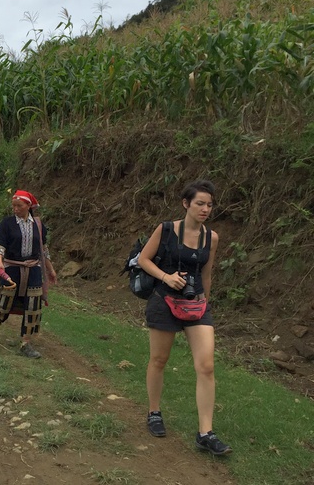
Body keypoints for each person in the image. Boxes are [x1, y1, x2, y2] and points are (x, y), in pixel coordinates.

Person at [137, 180, 232, 455]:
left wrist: (205, 300)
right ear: (186, 203)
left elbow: (207, 273)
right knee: (159, 359)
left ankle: (206, 432)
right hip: (163, 301)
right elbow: (144, 259)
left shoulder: (211, 238)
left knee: (206, 366)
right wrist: (166, 276)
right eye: (200, 203)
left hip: (196, 305)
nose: (205, 209)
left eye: (210, 204)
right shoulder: (166, 229)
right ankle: (154, 412)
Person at [0, 190, 57, 359]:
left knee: (33, 306)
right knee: (5, 302)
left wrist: (50, 269)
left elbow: (43, 249)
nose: (15, 209)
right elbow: (0, 245)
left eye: (19, 206)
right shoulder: (7, 224)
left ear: (28, 206)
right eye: (13, 206)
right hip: (12, 268)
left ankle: (26, 343)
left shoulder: (38, 225)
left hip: (33, 269)